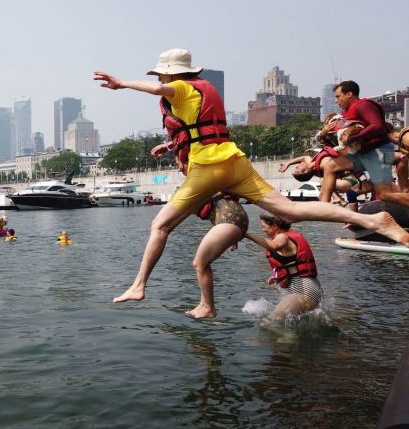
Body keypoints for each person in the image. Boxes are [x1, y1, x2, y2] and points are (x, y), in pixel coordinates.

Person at [94, 49, 409, 304]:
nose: (160, 77)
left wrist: (122, 84)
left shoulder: (178, 87)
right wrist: (169, 144)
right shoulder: (206, 90)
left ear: (172, 73)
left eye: (161, 72)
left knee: (159, 226)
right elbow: (199, 130)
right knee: (290, 210)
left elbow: (159, 89)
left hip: (208, 168)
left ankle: (138, 285)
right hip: (235, 161)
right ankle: (374, 221)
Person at [317, 81, 409, 208]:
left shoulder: (363, 105)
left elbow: (378, 126)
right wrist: (324, 134)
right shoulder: (345, 113)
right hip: (362, 153)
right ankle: (323, 207)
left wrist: (353, 138)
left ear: (349, 94)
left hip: (378, 151)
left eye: (338, 97)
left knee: (384, 194)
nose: (336, 101)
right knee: (331, 166)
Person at [245, 215, 324, 322]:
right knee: (289, 328)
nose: (262, 229)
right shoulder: (288, 237)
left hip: (304, 291)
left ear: (274, 226)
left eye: (263, 226)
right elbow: (292, 265)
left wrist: (246, 234)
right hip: (307, 289)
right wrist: (278, 276)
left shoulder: (283, 237)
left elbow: (273, 246)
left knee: (270, 322)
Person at [187, 194, 248, 318]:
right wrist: (233, 237)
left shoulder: (201, 183)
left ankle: (209, 308)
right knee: (202, 264)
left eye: (183, 172)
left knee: (199, 264)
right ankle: (203, 305)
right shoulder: (207, 187)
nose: (179, 172)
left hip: (228, 220)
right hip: (233, 220)